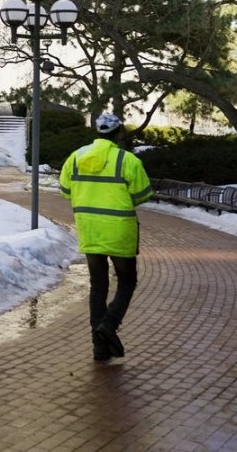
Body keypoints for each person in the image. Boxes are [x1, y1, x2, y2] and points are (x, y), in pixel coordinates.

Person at [59, 113, 153, 361]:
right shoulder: (127, 160)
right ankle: (108, 326)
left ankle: (99, 347)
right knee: (127, 281)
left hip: (90, 229)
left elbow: (66, 190)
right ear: (119, 133)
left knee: (98, 285)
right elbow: (143, 194)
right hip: (120, 230)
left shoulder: (76, 158)